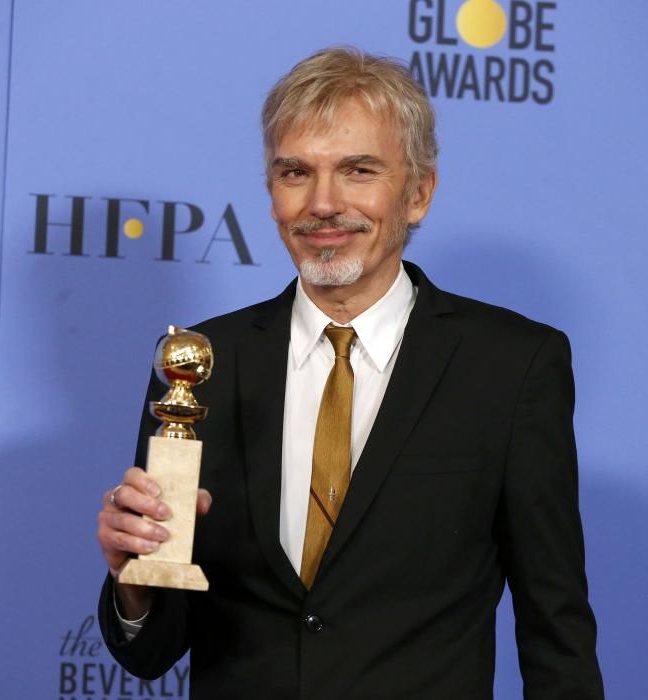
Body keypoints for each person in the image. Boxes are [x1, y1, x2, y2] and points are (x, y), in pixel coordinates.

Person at [97, 46, 604, 700]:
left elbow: (554, 627)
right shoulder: (201, 364)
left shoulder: (510, 366)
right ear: (271, 193)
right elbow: (152, 653)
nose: (324, 204)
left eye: (358, 170)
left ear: (418, 193)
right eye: (295, 173)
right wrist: (133, 583)